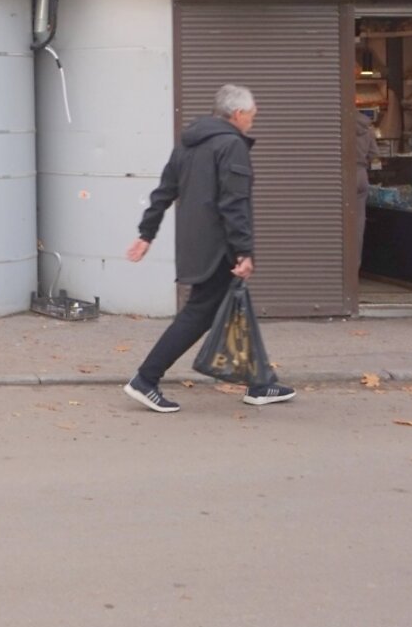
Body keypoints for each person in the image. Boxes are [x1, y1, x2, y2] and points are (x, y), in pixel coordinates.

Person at [121, 83, 296, 413]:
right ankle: (146, 378)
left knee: (232, 310)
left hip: (196, 245)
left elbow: (164, 191)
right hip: (220, 249)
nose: (252, 122)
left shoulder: (188, 143)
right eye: (252, 116)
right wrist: (244, 251)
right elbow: (234, 203)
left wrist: (146, 234)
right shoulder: (231, 146)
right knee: (199, 314)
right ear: (238, 114)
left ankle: (260, 383)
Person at [352, 107, 377, 270]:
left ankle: (345, 267)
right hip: (362, 174)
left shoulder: (343, 126)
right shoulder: (368, 128)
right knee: (359, 222)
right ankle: (356, 265)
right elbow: (374, 153)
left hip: (347, 174)